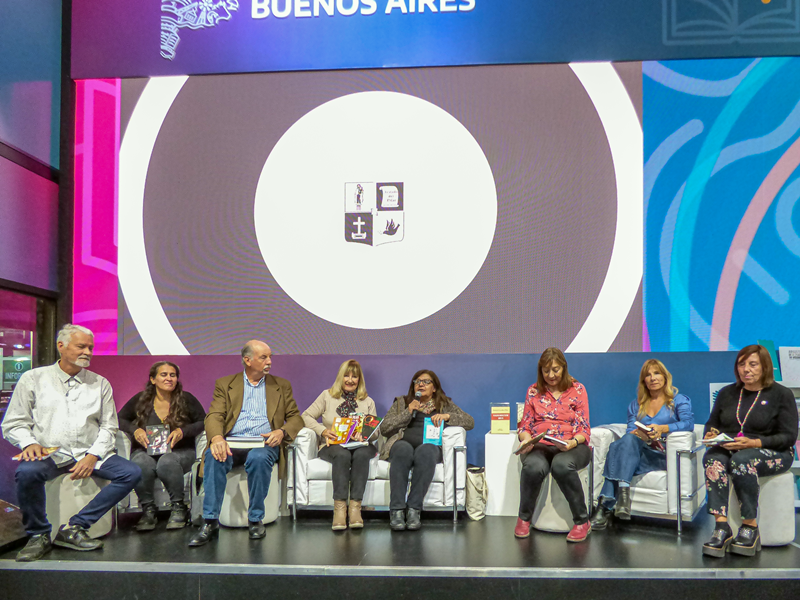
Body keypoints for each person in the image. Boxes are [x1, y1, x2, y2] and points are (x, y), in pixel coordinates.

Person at [2, 324, 141, 562]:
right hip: (50, 454)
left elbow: (109, 426)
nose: (87, 352)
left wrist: (93, 456)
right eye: (81, 346)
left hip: (89, 452)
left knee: (131, 472)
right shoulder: (33, 379)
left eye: (91, 348)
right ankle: (38, 534)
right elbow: (14, 422)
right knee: (26, 473)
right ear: (61, 346)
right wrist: (29, 443)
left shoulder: (100, 383)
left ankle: (75, 527)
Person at [189, 340, 304, 546]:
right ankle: (210, 521)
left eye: (270, 357)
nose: (269, 362)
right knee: (213, 457)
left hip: (263, 443)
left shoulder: (281, 385)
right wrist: (217, 438)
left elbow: (296, 417)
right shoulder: (225, 384)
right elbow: (214, 415)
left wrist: (281, 431)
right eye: (264, 357)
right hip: (232, 441)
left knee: (259, 458)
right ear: (247, 360)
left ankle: (255, 519)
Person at [701, 344, 798, 557]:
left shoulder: (781, 395)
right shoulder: (727, 393)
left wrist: (754, 443)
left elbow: (788, 437)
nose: (746, 369)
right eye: (742, 364)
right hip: (733, 447)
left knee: (742, 461)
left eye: (753, 364)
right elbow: (712, 423)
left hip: (774, 451)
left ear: (765, 366)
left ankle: (749, 527)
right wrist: (711, 434)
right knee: (712, 459)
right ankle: (721, 527)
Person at [590, 359, 694, 529]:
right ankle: (621, 498)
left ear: (665, 376)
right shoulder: (636, 404)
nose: (653, 378)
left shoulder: (678, 400)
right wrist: (640, 434)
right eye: (648, 375)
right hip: (641, 451)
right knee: (626, 441)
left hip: (662, 455)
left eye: (657, 373)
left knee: (616, 449)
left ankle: (605, 506)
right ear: (644, 381)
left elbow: (688, 423)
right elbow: (630, 430)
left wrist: (662, 428)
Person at [380, 369, 474, 531]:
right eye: (417, 381)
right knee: (402, 450)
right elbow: (385, 428)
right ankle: (396, 510)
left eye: (426, 382)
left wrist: (448, 417)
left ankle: (413, 509)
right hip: (403, 443)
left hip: (430, 446)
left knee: (426, 452)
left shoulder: (444, 404)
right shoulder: (403, 402)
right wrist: (408, 412)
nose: (421, 384)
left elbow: (469, 421)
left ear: (434, 388)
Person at [118, 361, 206, 532]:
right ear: (153, 379)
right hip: (146, 451)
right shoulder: (140, 400)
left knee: (167, 461)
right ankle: (148, 510)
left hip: (180, 451)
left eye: (172, 375)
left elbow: (203, 422)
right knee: (140, 463)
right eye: (163, 375)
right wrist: (135, 430)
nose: (169, 379)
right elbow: (120, 419)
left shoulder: (186, 399)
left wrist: (183, 431)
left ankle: (178, 507)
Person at [515, 348, 592, 543]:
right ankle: (524, 518)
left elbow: (584, 428)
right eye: (546, 371)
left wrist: (572, 442)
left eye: (555, 370)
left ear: (564, 368)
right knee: (533, 466)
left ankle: (582, 521)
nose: (551, 375)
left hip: (573, 445)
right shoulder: (533, 391)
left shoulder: (578, 389)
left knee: (561, 465)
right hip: (541, 445)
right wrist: (526, 439)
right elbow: (525, 425)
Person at [302, 359, 378, 530]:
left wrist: (364, 433)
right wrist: (323, 431)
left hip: (360, 446)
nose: (350, 380)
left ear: (359, 380)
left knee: (361, 454)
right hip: (333, 445)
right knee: (342, 455)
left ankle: (355, 508)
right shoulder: (327, 396)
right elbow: (305, 416)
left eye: (354, 377)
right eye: (346, 376)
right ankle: (339, 509)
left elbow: (376, 432)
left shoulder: (367, 401)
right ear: (340, 377)